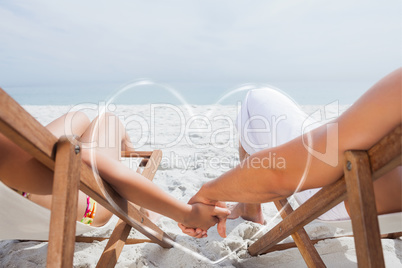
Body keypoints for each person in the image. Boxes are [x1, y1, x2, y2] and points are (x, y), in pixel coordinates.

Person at [180, 67, 402, 238]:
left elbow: (279, 173)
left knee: (256, 99)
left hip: (353, 201)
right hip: (391, 208)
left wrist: (209, 193)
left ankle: (250, 209)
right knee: (328, 132)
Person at [0, 109, 230, 236]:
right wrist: (186, 214)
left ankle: (126, 153)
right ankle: (141, 196)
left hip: (17, 212)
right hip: (87, 210)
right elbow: (86, 159)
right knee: (102, 119)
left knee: (81, 121)